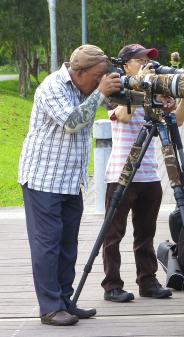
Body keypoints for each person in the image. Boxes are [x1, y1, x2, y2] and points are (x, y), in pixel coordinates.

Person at [18, 44, 122, 326]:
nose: (102, 80)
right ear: (79, 72)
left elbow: (116, 105)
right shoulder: (53, 87)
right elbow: (72, 122)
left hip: (69, 181)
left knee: (67, 246)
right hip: (43, 179)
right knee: (47, 246)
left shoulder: (85, 89)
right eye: (99, 75)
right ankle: (50, 308)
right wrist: (102, 92)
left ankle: (65, 301)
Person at [102, 44, 184, 303]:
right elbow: (124, 116)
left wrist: (183, 92)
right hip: (121, 172)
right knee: (113, 234)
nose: (147, 64)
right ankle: (112, 285)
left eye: (149, 61)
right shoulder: (116, 88)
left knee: (146, 233)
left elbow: (180, 120)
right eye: (140, 60)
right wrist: (139, 85)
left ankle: (147, 281)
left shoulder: (154, 92)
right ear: (126, 64)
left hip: (150, 173)